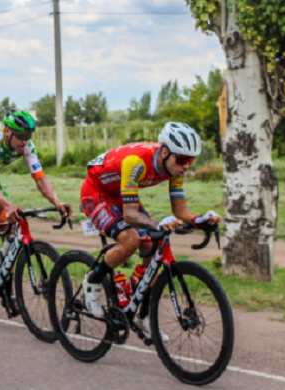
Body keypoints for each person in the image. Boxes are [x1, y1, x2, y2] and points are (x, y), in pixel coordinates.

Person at [79, 122, 222, 337]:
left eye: (191, 161)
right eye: (183, 160)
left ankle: (142, 311)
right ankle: (92, 282)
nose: (187, 165)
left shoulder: (174, 167)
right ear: (164, 152)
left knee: (154, 244)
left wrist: (200, 220)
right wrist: (158, 224)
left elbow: (180, 209)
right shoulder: (136, 163)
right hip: (96, 192)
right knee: (131, 240)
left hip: (121, 194)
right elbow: (129, 215)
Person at [0, 109, 72, 315]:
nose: (25, 142)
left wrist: (57, 202)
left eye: (28, 137)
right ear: (7, 131)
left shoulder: (27, 147)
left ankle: (6, 293)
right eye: (21, 136)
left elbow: (41, 179)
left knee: (12, 230)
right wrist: (8, 206)